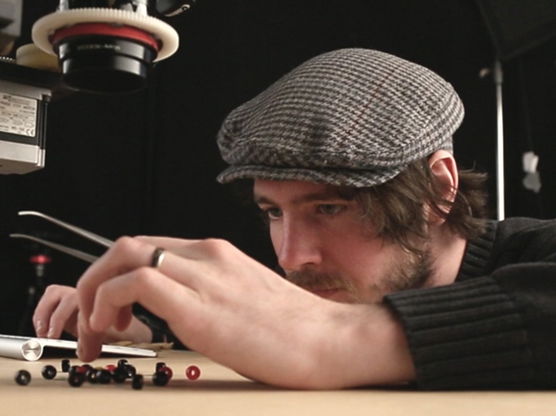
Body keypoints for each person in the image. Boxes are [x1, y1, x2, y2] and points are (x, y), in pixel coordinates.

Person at [33, 48, 556, 389]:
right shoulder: (336, 284)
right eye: (272, 213)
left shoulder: (534, 255)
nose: (291, 256)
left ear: (439, 190)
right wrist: (148, 341)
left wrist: (336, 339)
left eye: (330, 208)